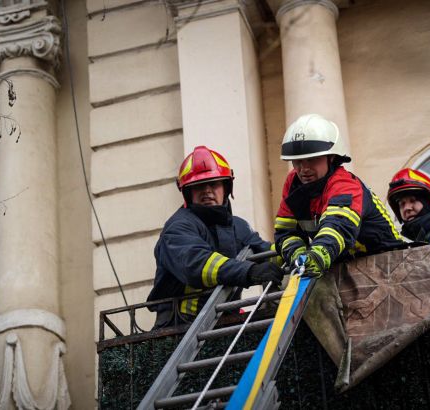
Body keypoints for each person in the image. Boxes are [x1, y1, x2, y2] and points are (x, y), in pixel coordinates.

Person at [147, 146, 284, 328]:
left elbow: (266, 253)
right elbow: (197, 264)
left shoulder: (238, 227)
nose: (207, 191)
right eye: (199, 186)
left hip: (226, 322)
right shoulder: (178, 228)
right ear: (187, 192)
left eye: (214, 183)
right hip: (182, 328)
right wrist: (249, 271)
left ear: (226, 187)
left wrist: (292, 250)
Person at [274, 114, 405, 277]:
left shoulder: (345, 184)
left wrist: (316, 256)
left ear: (332, 157)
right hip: (344, 266)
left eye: (312, 159)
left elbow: (338, 227)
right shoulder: (293, 185)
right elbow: (286, 232)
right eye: (298, 161)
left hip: (388, 263)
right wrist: (299, 257)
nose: (304, 169)